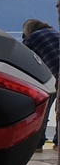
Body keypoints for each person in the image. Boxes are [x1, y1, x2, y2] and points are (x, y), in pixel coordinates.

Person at [22, 19, 59, 149]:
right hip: (55, 75)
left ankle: (37, 144)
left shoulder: (31, 38)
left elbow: (22, 60)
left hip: (54, 76)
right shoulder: (55, 33)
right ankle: (58, 143)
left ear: (28, 31)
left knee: (42, 108)